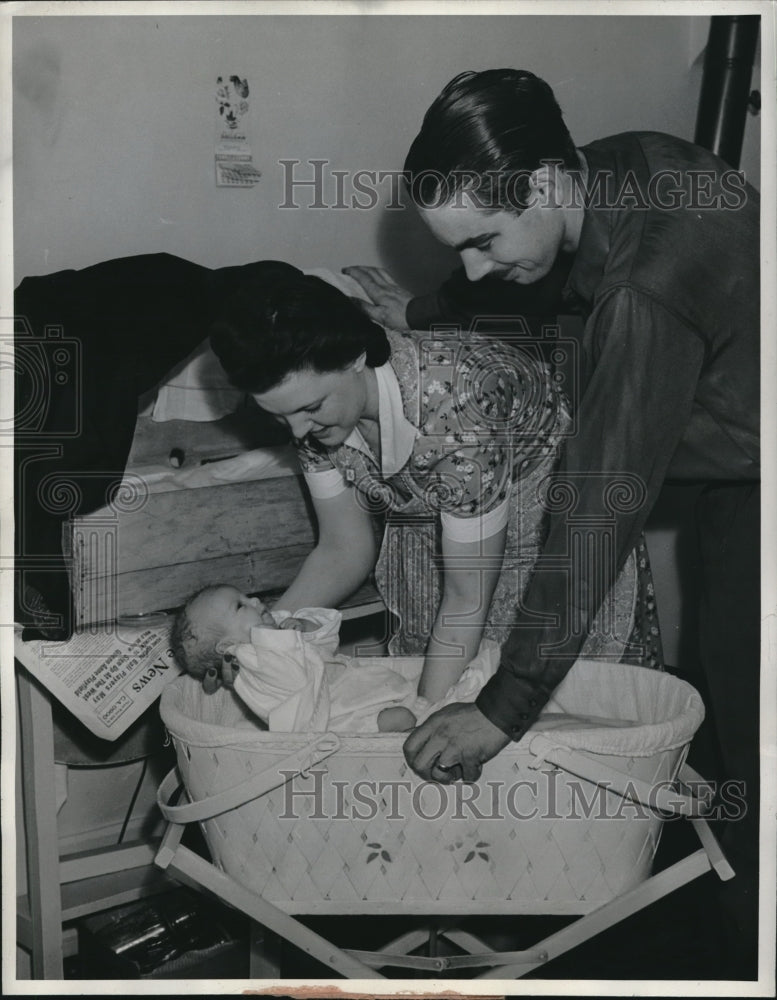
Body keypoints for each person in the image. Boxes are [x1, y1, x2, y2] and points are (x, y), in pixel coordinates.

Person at [348, 69, 758, 970]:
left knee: (753, 740)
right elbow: (536, 276)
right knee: (727, 712)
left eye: (483, 241)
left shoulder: (642, 293)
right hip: (736, 457)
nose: (473, 266)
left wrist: (502, 708)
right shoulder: (620, 165)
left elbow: (594, 515)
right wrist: (422, 312)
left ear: (541, 184)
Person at [205, 262, 662, 731]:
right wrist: (258, 637)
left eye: (311, 408)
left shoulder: (457, 407)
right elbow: (344, 547)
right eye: (282, 420)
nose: (299, 432)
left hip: (546, 544)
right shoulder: (311, 418)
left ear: (355, 357)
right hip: (447, 541)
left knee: (539, 726)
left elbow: (466, 601)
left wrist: (425, 717)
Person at [172, 583, 417, 733]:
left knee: (403, 696)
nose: (255, 600)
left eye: (247, 596)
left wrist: (304, 626)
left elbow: (327, 642)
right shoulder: (252, 663)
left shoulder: (277, 637)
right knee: (395, 719)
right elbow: (293, 681)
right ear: (229, 646)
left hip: (348, 691)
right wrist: (274, 638)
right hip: (328, 720)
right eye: (240, 606)